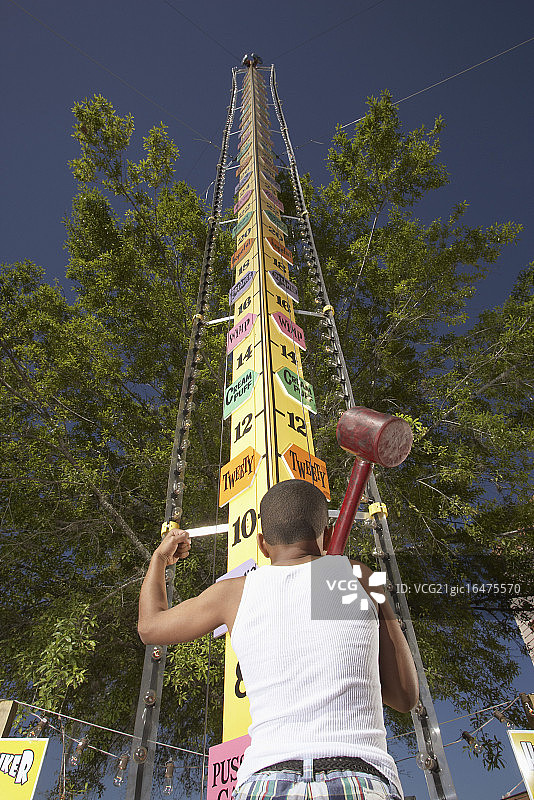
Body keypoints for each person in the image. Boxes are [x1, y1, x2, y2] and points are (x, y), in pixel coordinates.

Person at [138, 479, 419, 800]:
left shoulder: (233, 593)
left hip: (265, 781)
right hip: (360, 776)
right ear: (326, 537)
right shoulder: (361, 576)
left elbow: (150, 626)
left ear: (261, 544)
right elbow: (405, 697)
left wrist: (159, 559)